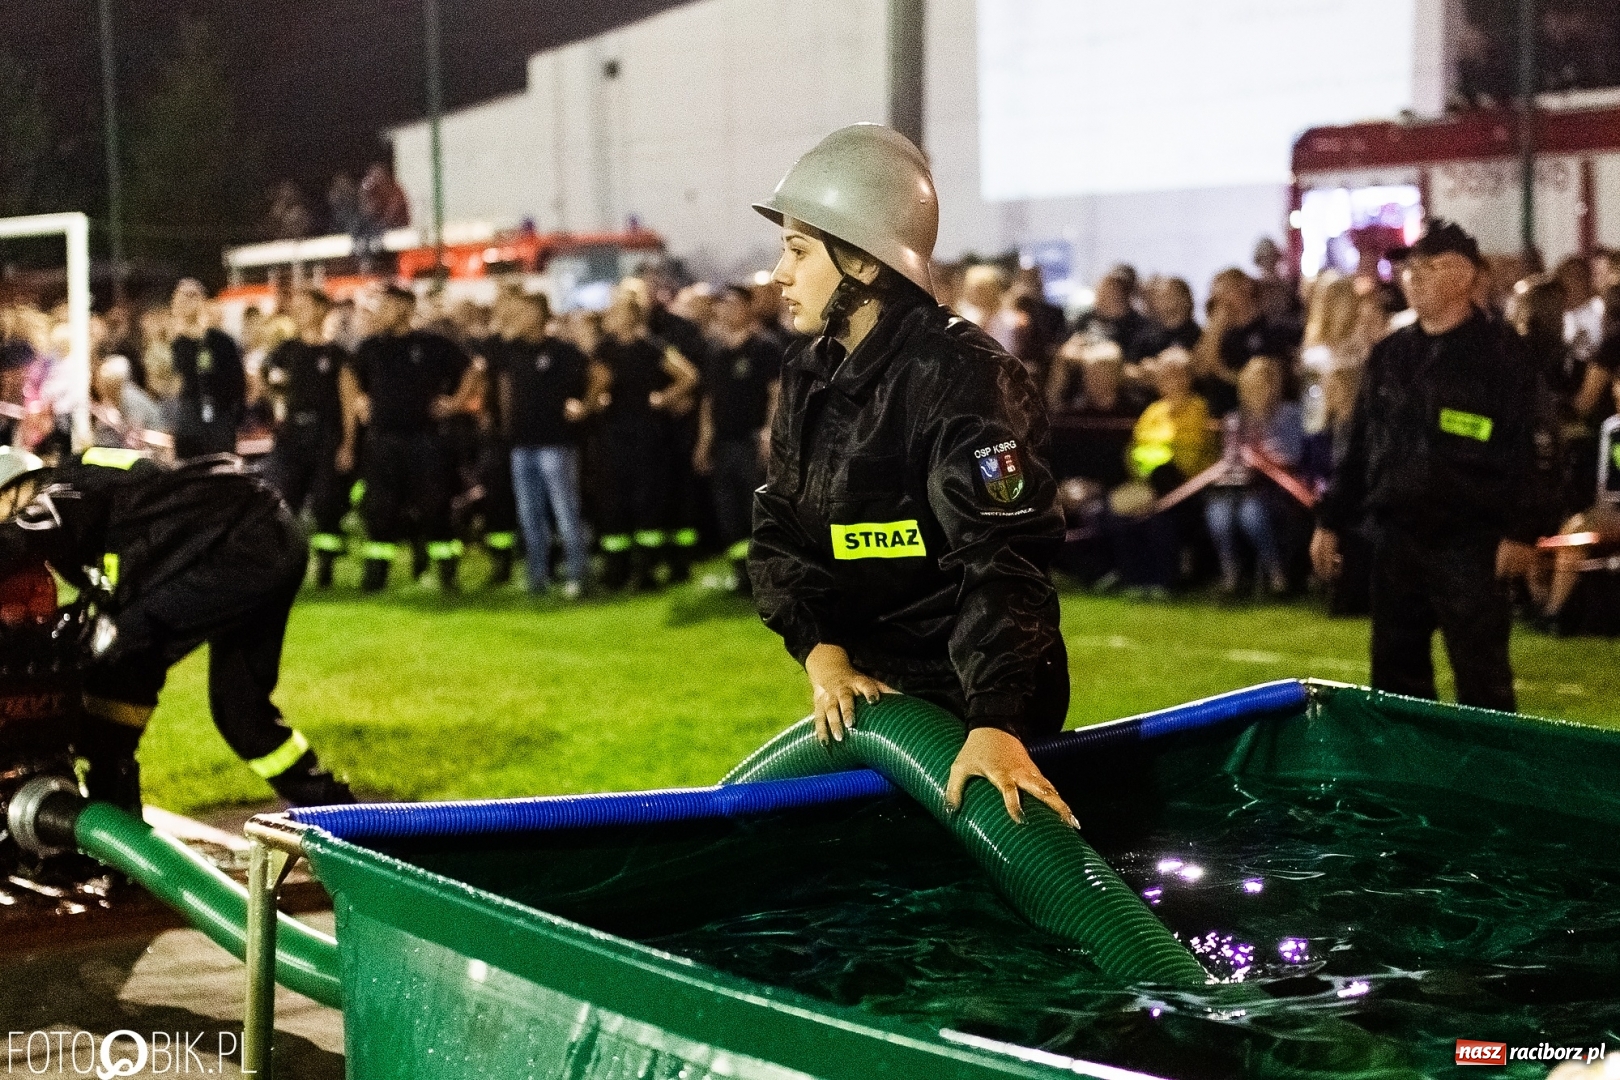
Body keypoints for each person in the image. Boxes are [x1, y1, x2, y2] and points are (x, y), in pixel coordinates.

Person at [750, 123, 1076, 827]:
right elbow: (782, 535)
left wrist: (996, 721)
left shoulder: (965, 377)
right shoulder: (809, 371)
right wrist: (826, 661)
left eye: (798, 250)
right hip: (876, 701)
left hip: (979, 710)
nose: (779, 273)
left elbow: (1006, 560)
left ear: (863, 264)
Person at [0, 446, 354, 809]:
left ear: (14, 489)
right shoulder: (86, 484)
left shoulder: (58, 491)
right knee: (241, 713)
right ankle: (345, 816)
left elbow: (25, 532)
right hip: (265, 533)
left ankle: (112, 819)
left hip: (241, 544)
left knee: (124, 652)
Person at [1312, 220, 1550, 712]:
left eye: (1431, 268)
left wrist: (1522, 531)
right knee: (1396, 680)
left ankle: (1487, 778)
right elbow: (1360, 445)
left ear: (1466, 276)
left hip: (1471, 538)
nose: (1415, 278)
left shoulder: (1503, 356)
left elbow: (1535, 449)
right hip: (1397, 536)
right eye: (1410, 269)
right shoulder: (1391, 355)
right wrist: (1330, 520)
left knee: (1480, 677)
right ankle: (1408, 779)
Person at [347, 285, 481, 592]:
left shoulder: (433, 344)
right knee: (380, 508)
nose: (379, 312)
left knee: (436, 507)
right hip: (383, 441)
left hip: (426, 441)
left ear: (403, 308)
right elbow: (349, 374)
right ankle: (376, 576)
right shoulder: (372, 347)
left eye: (385, 305)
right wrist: (359, 401)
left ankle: (446, 574)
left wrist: (456, 403)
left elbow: (473, 370)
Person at [591, 287, 700, 590]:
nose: (609, 315)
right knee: (614, 500)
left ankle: (645, 570)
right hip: (615, 433)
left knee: (646, 501)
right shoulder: (605, 349)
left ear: (630, 315)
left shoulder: (652, 347)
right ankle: (617, 570)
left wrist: (665, 397)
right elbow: (596, 385)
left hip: (646, 435)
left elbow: (689, 376)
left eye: (616, 310)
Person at [499, 291, 597, 597]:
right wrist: (507, 427)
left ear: (541, 315)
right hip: (522, 444)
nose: (519, 318)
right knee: (530, 515)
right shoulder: (511, 350)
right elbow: (505, 389)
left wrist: (585, 405)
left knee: (565, 510)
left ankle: (578, 574)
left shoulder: (563, 351)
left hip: (556, 442)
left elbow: (599, 374)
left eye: (526, 312)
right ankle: (537, 576)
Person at [261, 289, 356, 587]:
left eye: (305, 306)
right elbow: (266, 378)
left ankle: (325, 568)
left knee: (327, 502)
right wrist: (276, 398)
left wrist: (348, 443)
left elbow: (349, 399)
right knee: (282, 498)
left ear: (321, 309)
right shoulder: (286, 350)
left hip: (326, 435)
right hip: (292, 435)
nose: (298, 311)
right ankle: (284, 566)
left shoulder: (337, 354)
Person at [693, 284, 781, 594]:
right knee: (728, 514)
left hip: (751, 441)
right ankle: (741, 576)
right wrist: (703, 444)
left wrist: (770, 433)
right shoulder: (715, 351)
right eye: (722, 305)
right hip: (723, 444)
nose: (725, 310)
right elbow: (708, 402)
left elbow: (776, 393)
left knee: (754, 509)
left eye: (732, 304)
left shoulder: (765, 347)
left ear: (747, 308)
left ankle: (767, 576)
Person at [1203, 357, 1305, 596]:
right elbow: (1229, 460)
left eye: (1263, 385)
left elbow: (1294, 454)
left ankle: (1276, 574)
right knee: (1217, 515)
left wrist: (1265, 457)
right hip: (1239, 486)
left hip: (1277, 489)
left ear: (1274, 386)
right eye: (1251, 386)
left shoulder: (1291, 414)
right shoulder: (1234, 420)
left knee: (1251, 515)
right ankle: (1231, 576)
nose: (1257, 391)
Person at [1192, 268, 1300, 416]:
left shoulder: (1273, 328)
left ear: (1245, 286)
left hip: (1268, 415)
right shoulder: (1219, 334)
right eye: (1217, 298)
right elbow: (1200, 370)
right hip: (1226, 414)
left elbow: (1268, 378)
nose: (1223, 302)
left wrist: (1222, 371)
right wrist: (1214, 330)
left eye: (1227, 292)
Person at [167, 279, 246, 459]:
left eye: (191, 296)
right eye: (180, 297)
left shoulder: (220, 341)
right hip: (188, 420)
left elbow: (237, 382)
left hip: (218, 418)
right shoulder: (176, 343)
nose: (184, 303)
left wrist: (234, 417)